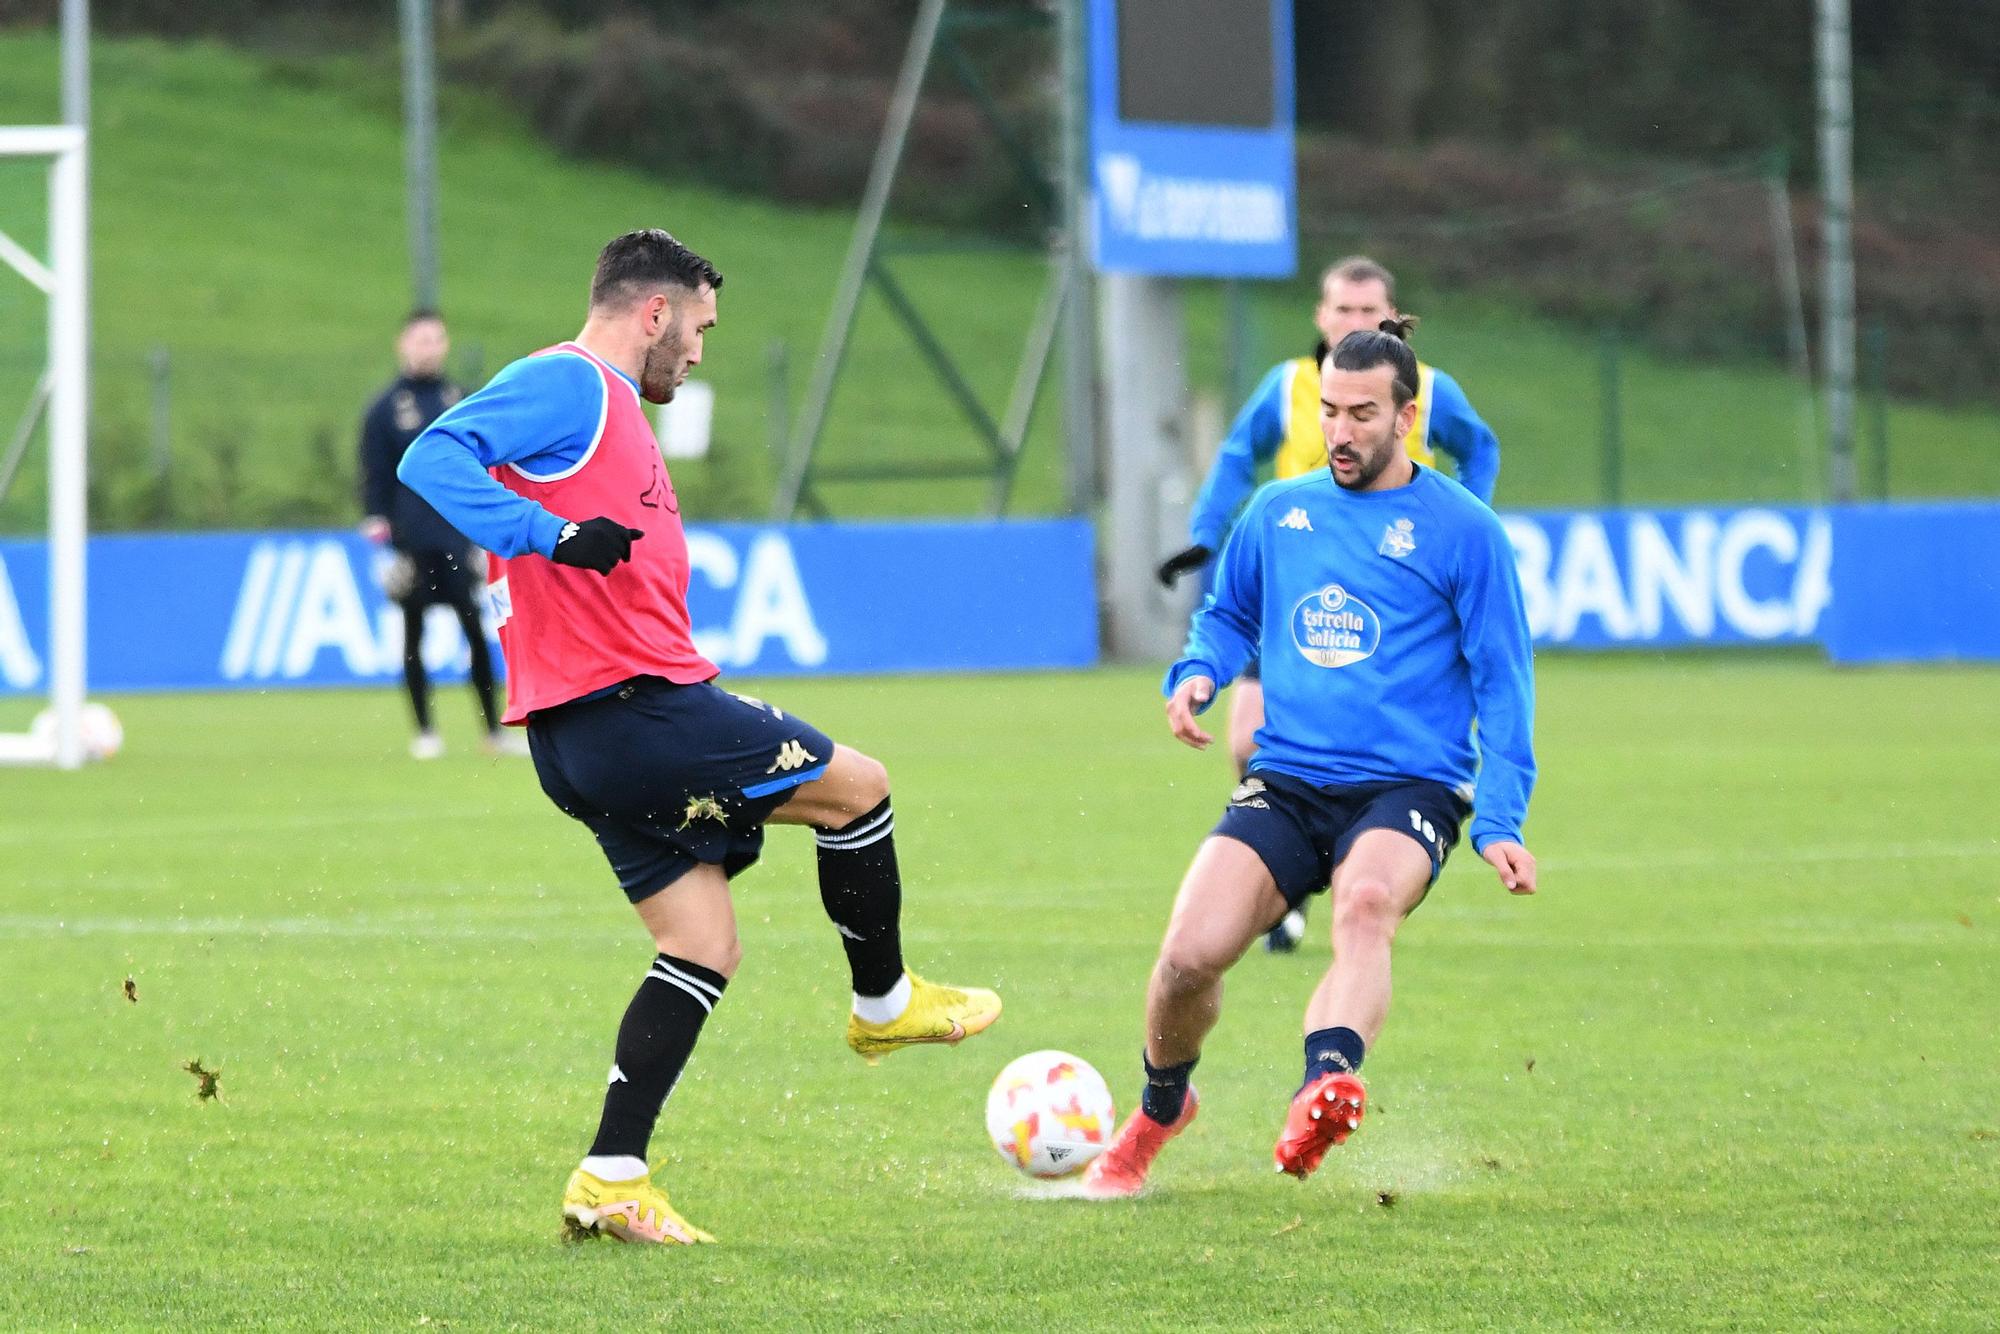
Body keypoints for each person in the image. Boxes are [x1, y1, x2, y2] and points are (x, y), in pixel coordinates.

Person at [396, 229, 1001, 1246]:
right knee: (859, 787)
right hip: (633, 707)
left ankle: (611, 1174)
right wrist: (547, 537)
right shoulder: (571, 384)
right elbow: (430, 454)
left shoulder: (613, 409)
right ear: (653, 311)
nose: (701, 351)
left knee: (699, 943)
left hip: (579, 734)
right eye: (700, 328)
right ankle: (884, 997)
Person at [1081, 321, 1536, 1198]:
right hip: (1289, 782)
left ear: (1407, 418)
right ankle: (1161, 1106)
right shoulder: (1277, 513)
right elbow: (1226, 614)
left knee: (1365, 907)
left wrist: (1503, 818)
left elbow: (1505, 683)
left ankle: (1324, 1086)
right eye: (1329, 410)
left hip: (1412, 786)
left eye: (1362, 413)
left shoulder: (1465, 532)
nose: (1340, 430)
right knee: (1186, 958)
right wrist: (1198, 674)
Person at [1156, 256, 1502, 952]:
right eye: (1343, 311)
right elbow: (1234, 457)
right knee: (1249, 738)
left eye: (1369, 311)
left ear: (1392, 317)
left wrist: (1467, 519)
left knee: (1356, 752)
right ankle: (1282, 882)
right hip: (1289, 587)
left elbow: (1480, 449)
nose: (1355, 323)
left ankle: (1345, 869)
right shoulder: (1288, 387)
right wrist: (1206, 534)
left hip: (1388, 596)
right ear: (1321, 317)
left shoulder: (1429, 391)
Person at [358, 310, 515, 759]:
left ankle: (493, 730)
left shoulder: (459, 399)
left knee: (476, 631)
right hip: (411, 540)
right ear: (403, 345)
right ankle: (425, 731)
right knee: (414, 635)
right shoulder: (385, 408)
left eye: (435, 340)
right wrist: (376, 520)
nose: (428, 348)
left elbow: (485, 465)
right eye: (420, 340)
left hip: (457, 537)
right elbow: (374, 474)